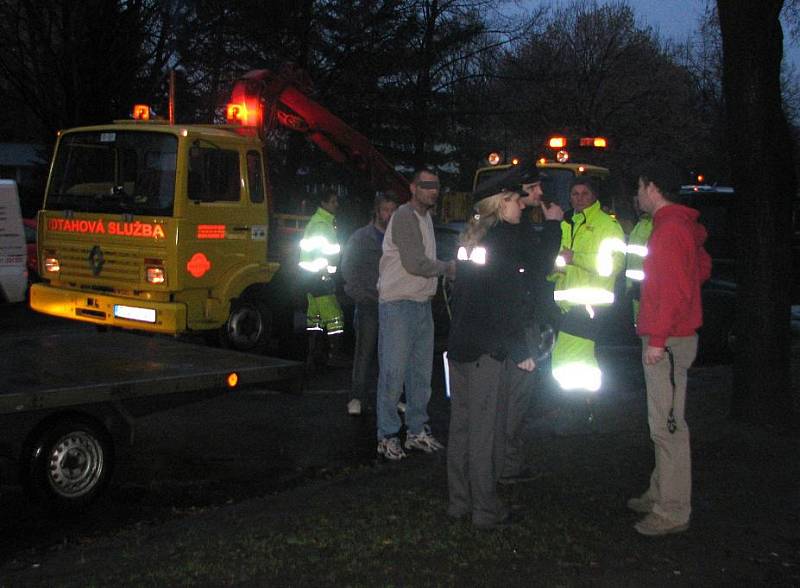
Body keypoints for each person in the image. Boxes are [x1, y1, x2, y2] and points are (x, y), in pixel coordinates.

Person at [627, 162, 711, 536]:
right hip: (673, 337)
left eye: (640, 187)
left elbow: (674, 289)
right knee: (662, 420)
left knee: (668, 426)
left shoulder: (669, 231)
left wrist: (658, 340)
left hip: (670, 342)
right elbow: (701, 269)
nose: (637, 194)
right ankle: (660, 490)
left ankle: (673, 510)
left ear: (653, 187)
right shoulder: (679, 227)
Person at [446, 188, 538, 528]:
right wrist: (520, 350)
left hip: (461, 346)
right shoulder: (501, 240)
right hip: (485, 349)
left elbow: (469, 292)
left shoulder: (473, 238)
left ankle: (460, 502)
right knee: (485, 431)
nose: (522, 206)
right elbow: (504, 299)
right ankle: (486, 509)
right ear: (502, 204)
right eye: (517, 200)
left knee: (462, 428)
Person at [472, 162, 564, 482]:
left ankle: (506, 463)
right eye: (535, 187)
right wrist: (553, 226)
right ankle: (504, 467)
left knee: (514, 400)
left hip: (518, 324)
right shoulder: (507, 233)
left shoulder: (512, 227)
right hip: (514, 328)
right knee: (514, 399)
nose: (541, 193)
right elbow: (532, 270)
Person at [375, 168, 454, 460]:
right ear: (413, 188)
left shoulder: (426, 218)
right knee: (393, 372)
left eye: (436, 186)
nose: (433, 190)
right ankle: (386, 435)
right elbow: (414, 263)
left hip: (421, 303)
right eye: (426, 185)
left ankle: (416, 431)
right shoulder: (405, 216)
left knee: (420, 374)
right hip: (398, 303)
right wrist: (447, 268)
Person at [549, 178, 625, 393]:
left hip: (590, 307)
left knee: (568, 363)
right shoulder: (566, 224)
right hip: (565, 307)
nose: (579, 198)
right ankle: (585, 410)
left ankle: (581, 411)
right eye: (574, 193)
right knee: (576, 365)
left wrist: (576, 257)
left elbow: (613, 265)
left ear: (594, 196)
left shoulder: (607, 225)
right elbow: (558, 261)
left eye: (584, 193)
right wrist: (553, 273)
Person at [340, 192, 398, 416]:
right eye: (386, 210)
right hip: (369, 303)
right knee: (364, 352)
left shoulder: (397, 239)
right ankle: (356, 396)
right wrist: (358, 294)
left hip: (392, 303)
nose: (389, 214)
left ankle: (391, 398)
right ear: (377, 210)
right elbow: (348, 266)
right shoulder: (361, 237)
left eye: (393, 210)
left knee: (391, 355)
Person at [298, 191, 344, 369]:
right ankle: (332, 356)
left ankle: (313, 356)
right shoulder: (322, 224)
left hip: (311, 278)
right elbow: (322, 254)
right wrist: (326, 274)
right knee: (334, 320)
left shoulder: (318, 222)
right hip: (320, 278)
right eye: (333, 201)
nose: (336, 205)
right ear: (324, 204)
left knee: (315, 320)